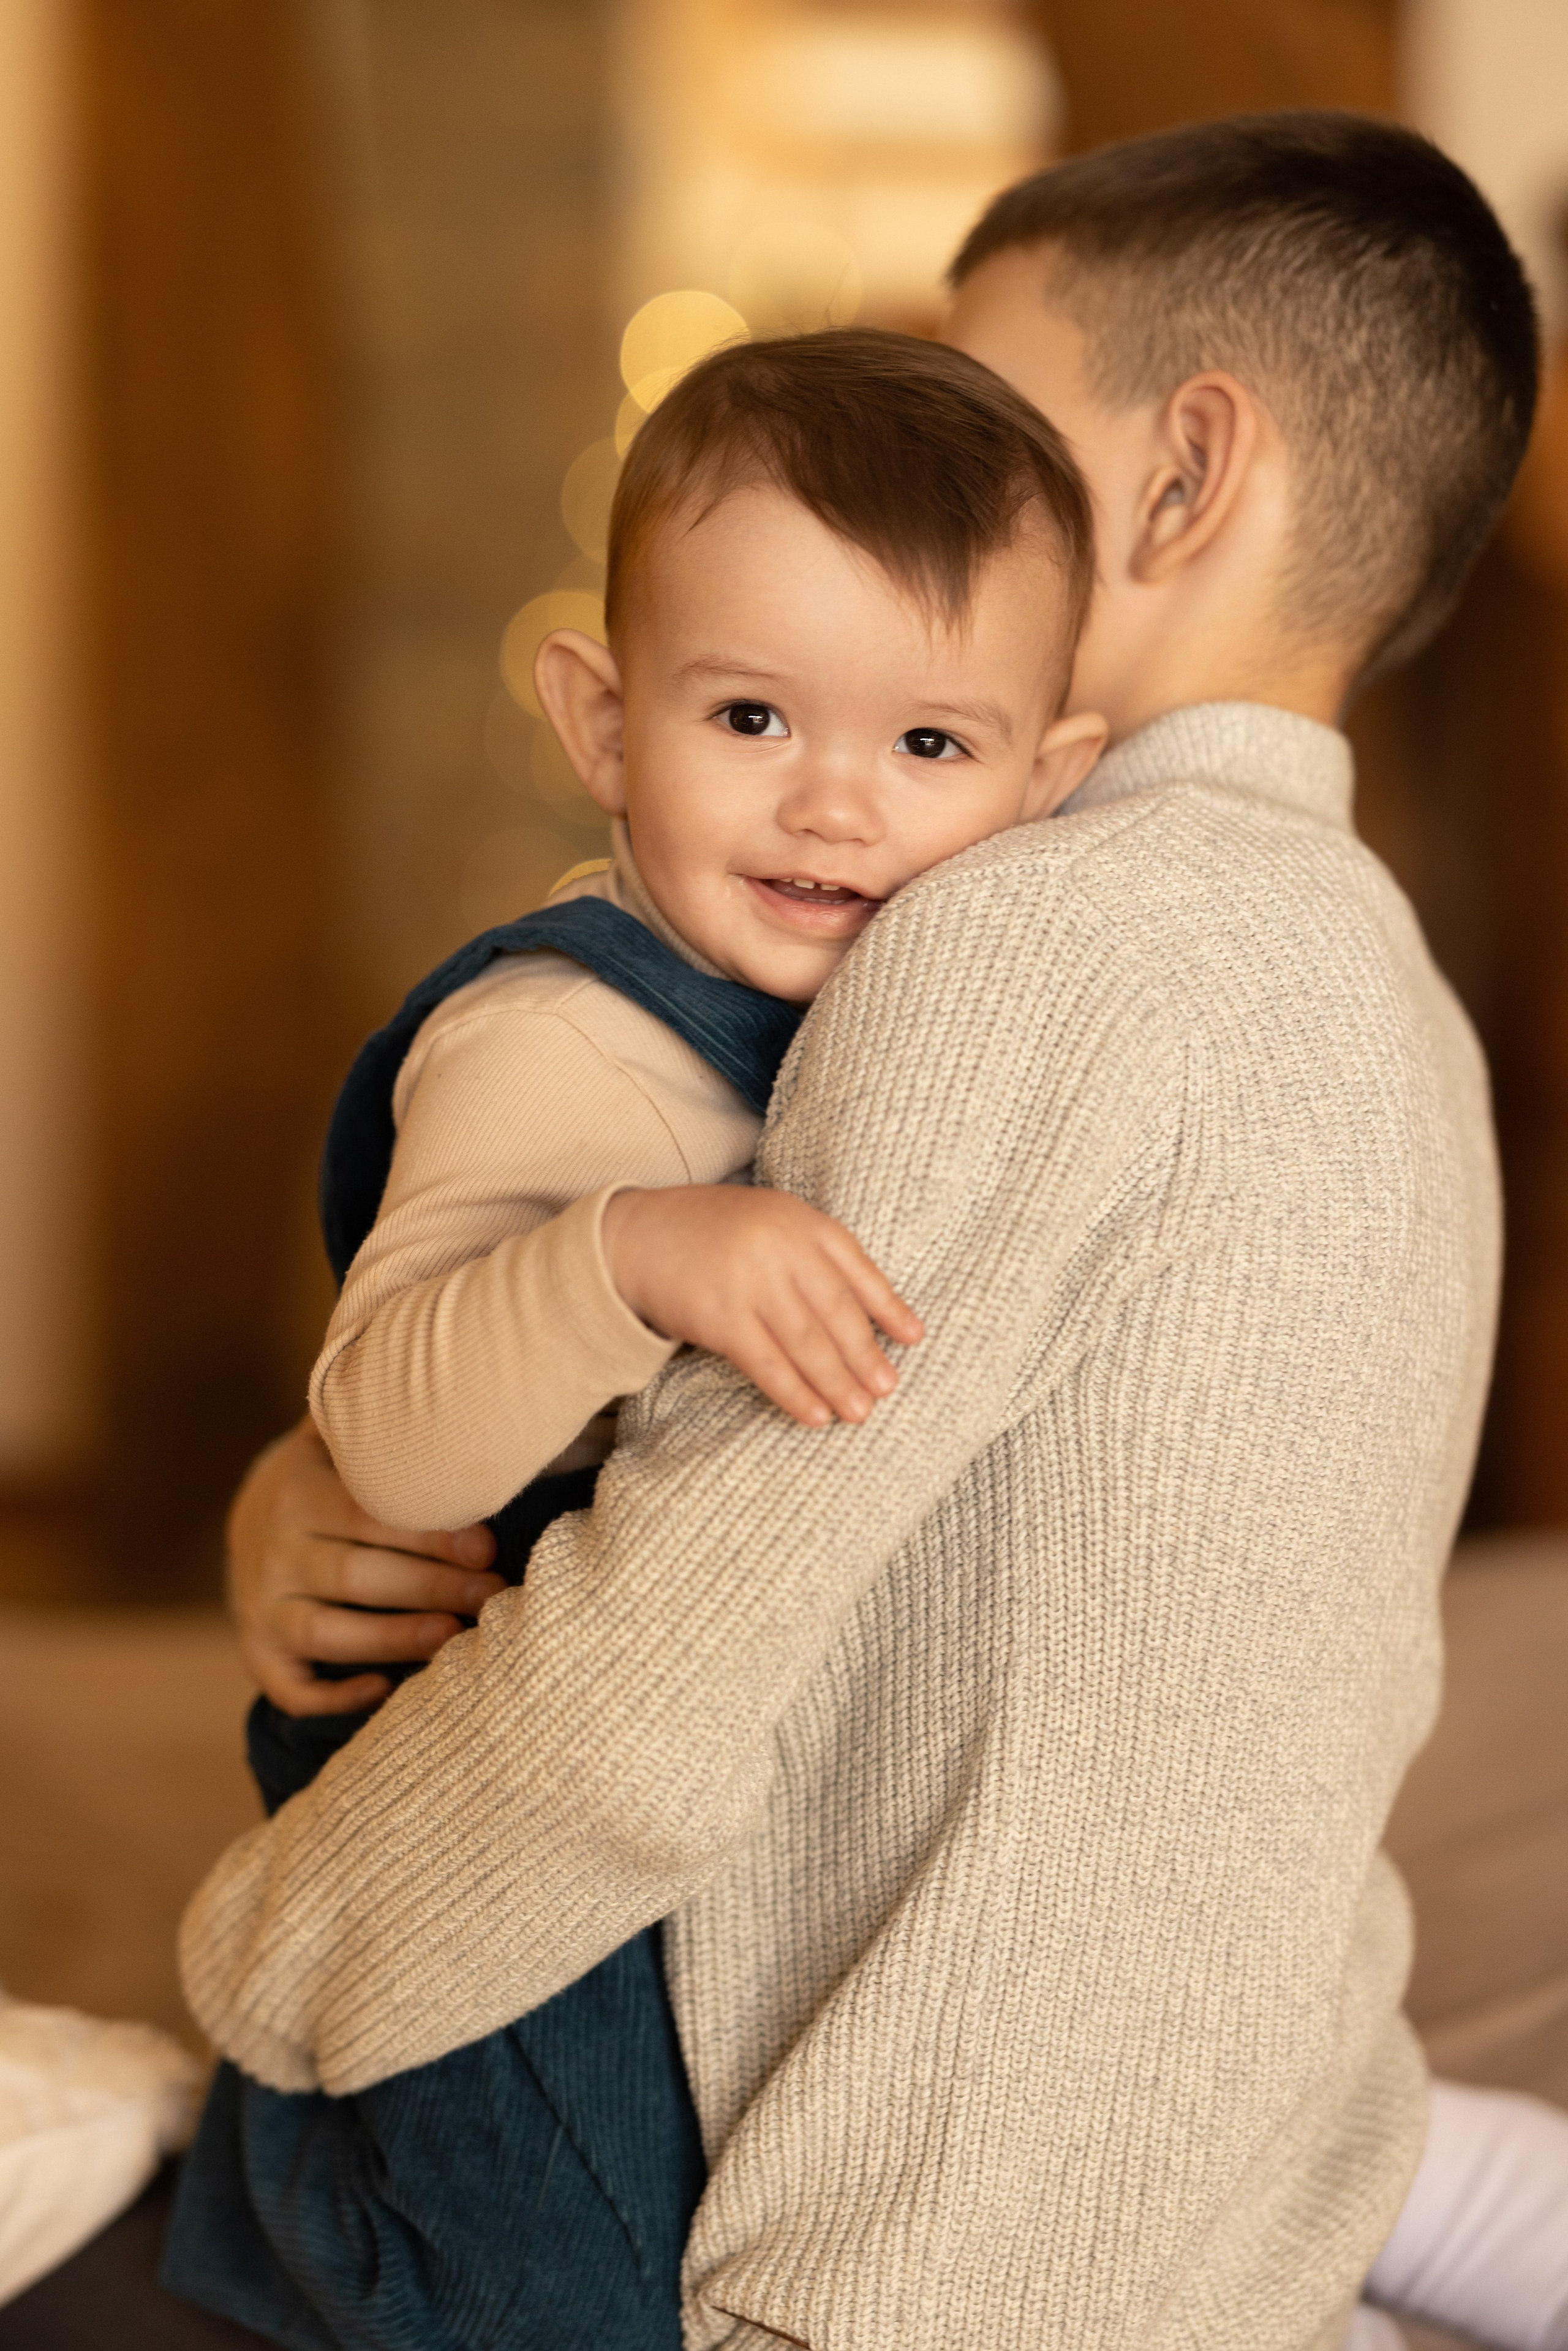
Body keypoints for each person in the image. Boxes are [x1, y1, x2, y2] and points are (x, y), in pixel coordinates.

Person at [183, 115, 1562, 2351]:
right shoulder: (1406, 1005)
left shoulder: (1021, 940)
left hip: (913, 2257)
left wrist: (281, 1950)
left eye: (980, 408)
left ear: (1187, 477)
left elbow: (650, 1685)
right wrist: (336, 1473)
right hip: (1223, 2196)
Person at [162, 331, 1106, 2351]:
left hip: (682, 1755)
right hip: (469, 1765)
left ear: (1052, 786)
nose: (834, 801)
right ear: (603, 725)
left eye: (930, 747)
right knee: (556, 2285)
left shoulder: (937, 1017)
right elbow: (388, 1442)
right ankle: (235, 2217)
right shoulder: (555, 1046)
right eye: (751, 715)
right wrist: (624, 1259)